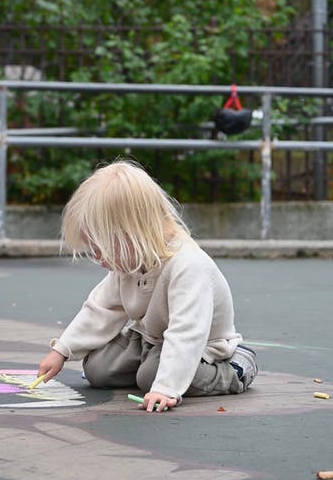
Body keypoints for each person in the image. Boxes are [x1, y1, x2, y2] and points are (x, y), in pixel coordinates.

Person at [36, 159, 257, 413]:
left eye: (101, 247)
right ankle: (154, 372)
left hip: (205, 349)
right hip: (150, 340)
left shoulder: (188, 265)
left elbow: (186, 332)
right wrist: (62, 351)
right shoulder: (129, 261)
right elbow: (101, 308)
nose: (97, 257)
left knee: (151, 376)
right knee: (98, 369)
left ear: (132, 233)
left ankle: (236, 370)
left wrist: (166, 387)